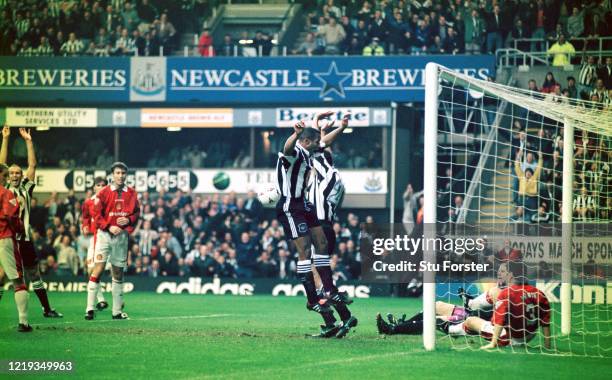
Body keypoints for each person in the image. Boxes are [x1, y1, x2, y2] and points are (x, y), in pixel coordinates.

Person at [275, 119, 352, 338]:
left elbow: (325, 141)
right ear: (305, 141)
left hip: (304, 205)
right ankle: (313, 298)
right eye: (315, 141)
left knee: (322, 243)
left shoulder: (310, 151)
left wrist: (341, 128)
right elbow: (287, 148)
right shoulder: (295, 153)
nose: (320, 144)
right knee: (305, 250)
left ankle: (328, 291)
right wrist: (294, 134)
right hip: (291, 205)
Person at [0, 125, 62, 318]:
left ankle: (46, 309)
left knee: (34, 274)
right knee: (1, 275)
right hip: (8, 238)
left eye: (18, 173)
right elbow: (1, 164)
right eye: (12, 173)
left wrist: (28, 141)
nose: (15, 175)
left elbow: (32, 166)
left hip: (24, 238)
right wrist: (5, 139)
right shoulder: (5, 188)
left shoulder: (26, 188)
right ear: (7, 176)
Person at [306, 111, 356, 338]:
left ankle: (334, 317)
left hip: (320, 228)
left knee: (315, 282)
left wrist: (323, 126)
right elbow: (322, 145)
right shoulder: (332, 178)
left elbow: (319, 145)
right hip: (326, 227)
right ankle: (343, 317)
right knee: (319, 279)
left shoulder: (326, 174)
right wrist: (325, 128)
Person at [86, 162, 140, 320]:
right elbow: (96, 215)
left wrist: (129, 220)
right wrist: (109, 226)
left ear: (126, 175)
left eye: (123, 173)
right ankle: (89, 309)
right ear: (112, 175)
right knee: (99, 268)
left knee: (118, 272)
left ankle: (116, 311)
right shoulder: (103, 193)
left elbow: (136, 213)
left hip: (121, 237)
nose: (120, 176)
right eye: (117, 173)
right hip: (104, 235)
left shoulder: (132, 193)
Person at [0, 163, 31, 332]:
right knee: (18, 280)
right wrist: (20, 227)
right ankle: (23, 322)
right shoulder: (6, 193)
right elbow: (11, 216)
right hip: (4, 239)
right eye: (5, 175)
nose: (7, 178)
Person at [81, 176, 109, 311]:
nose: (101, 187)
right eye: (98, 185)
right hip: (95, 239)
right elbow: (85, 216)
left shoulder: (110, 201)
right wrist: (85, 226)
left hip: (108, 238)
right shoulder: (88, 202)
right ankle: (101, 300)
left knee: (114, 271)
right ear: (94, 187)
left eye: (103, 185)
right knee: (91, 270)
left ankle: (119, 301)